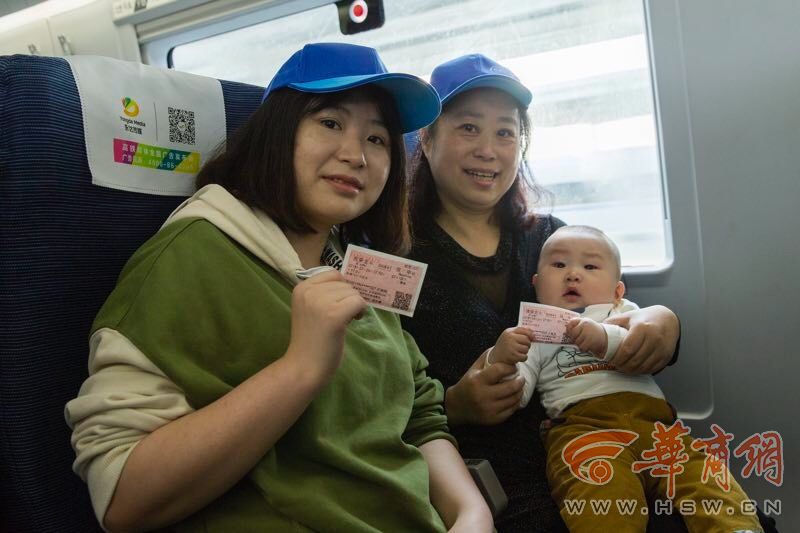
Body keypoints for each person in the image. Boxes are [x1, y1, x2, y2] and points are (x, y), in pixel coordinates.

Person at [64, 43, 492, 533]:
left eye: (377, 139)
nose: (355, 155)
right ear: (276, 133)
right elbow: (121, 496)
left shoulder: (353, 259)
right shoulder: (193, 254)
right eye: (330, 123)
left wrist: (470, 512)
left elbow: (417, 412)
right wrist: (300, 370)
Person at [401, 53, 682, 532]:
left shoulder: (550, 240)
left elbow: (614, 315)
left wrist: (663, 323)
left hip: (605, 441)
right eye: (469, 128)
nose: (488, 150)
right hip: (496, 481)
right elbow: (379, 393)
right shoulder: (398, 259)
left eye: (505, 132)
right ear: (425, 140)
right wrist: (456, 406)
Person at [487, 225, 762, 532]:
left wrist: (602, 337)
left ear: (618, 291)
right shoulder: (536, 333)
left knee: (706, 479)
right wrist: (505, 359)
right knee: (600, 498)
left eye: (590, 266)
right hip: (584, 429)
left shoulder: (623, 312)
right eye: (559, 265)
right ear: (536, 284)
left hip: (656, 425)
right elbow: (519, 393)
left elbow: (636, 348)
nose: (573, 274)